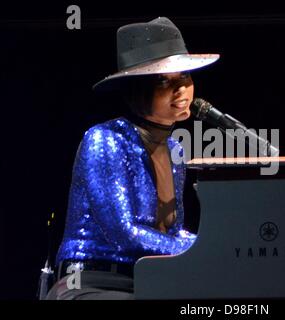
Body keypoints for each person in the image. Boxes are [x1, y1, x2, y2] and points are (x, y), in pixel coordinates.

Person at [45, 17, 219, 300]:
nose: (182, 90)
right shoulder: (105, 139)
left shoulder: (175, 150)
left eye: (185, 77)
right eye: (164, 80)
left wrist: (220, 244)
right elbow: (124, 234)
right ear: (136, 89)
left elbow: (172, 232)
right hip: (92, 283)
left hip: (148, 281)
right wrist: (199, 250)